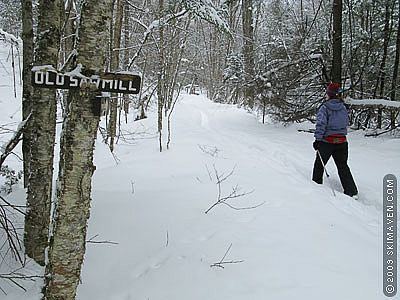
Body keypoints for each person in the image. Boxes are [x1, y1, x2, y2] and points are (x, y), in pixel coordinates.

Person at [312, 82, 358, 199]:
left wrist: (317, 140)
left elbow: (321, 124)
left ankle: (315, 187)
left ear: (329, 94)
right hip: (342, 142)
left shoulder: (325, 107)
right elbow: (345, 123)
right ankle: (351, 191)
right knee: (342, 166)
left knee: (319, 165)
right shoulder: (343, 107)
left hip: (327, 142)